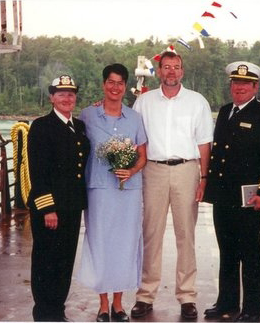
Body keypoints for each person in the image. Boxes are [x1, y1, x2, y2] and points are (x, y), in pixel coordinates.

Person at [130, 51, 214, 320]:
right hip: (152, 170)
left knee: (185, 236)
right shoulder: (144, 102)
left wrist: (204, 177)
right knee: (151, 234)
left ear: (182, 71)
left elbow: (204, 143)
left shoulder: (196, 102)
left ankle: (187, 296)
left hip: (186, 170)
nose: (171, 72)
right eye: (166, 67)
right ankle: (145, 294)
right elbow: (134, 138)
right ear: (159, 70)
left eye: (176, 67)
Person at [203, 61, 260, 323]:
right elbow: (219, 155)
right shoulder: (225, 112)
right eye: (235, 83)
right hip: (224, 196)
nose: (239, 87)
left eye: (245, 84)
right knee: (226, 251)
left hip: (249, 198)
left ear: (255, 87)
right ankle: (227, 303)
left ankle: (251, 309)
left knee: (250, 253)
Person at [77, 63, 147, 322]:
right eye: (111, 82)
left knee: (124, 245)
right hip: (98, 190)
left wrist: (131, 171)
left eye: (120, 83)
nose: (115, 87)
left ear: (126, 86)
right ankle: (103, 304)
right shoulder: (87, 115)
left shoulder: (135, 118)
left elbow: (143, 155)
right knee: (100, 243)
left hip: (128, 191)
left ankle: (119, 304)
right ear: (104, 84)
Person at [27, 75, 90, 322]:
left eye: (71, 94)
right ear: (52, 97)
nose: (67, 98)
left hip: (72, 206)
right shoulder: (42, 127)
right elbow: (38, 172)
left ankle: (58, 310)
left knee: (64, 261)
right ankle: (44, 313)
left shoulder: (79, 126)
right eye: (61, 94)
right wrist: (47, 209)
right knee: (46, 261)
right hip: (50, 208)